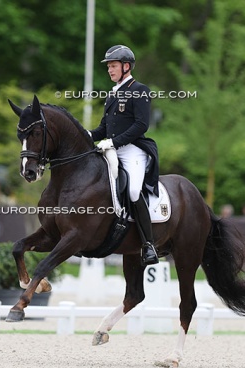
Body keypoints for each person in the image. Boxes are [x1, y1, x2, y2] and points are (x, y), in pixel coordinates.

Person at [89, 45, 160, 266]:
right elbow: (103, 128)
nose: (109, 70)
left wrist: (114, 142)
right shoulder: (112, 94)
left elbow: (141, 125)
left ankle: (149, 245)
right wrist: (85, 135)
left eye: (113, 66)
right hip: (112, 149)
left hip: (133, 151)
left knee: (133, 191)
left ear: (126, 66)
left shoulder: (139, 90)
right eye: (109, 66)